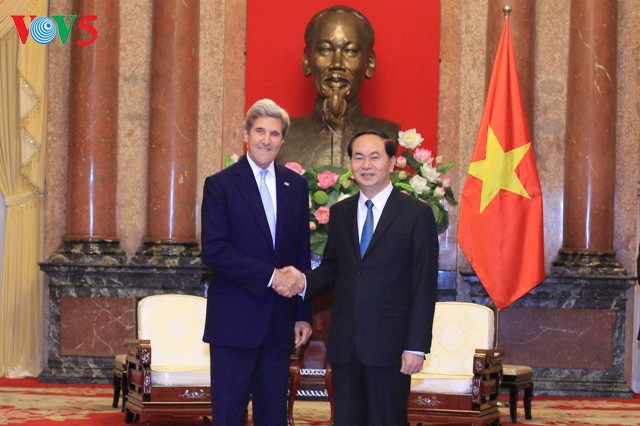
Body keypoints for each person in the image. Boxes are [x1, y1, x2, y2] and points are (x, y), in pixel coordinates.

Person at [275, 130, 439, 425]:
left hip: (391, 345)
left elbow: (424, 285)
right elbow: (333, 269)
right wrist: (302, 280)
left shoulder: (416, 214)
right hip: (346, 345)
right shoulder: (340, 213)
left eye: (375, 157)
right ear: (350, 164)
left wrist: (416, 346)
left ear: (391, 163)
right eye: (358, 157)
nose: (366, 164)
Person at [200, 98, 313, 425]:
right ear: (245, 135)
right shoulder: (221, 185)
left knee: (273, 414)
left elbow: (300, 255)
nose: (267, 139)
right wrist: (271, 276)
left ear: (282, 140)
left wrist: (303, 313)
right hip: (234, 321)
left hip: (280, 322)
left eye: (275, 134)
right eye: (260, 131)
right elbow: (215, 250)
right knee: (229, 413)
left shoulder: (296, 186)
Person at [277, 5, 400, 169]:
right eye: (325, 50)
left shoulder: (389, 133)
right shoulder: (280, 137)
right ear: (307, 61)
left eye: (350, 51)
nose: (337, 64)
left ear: (369, 63)